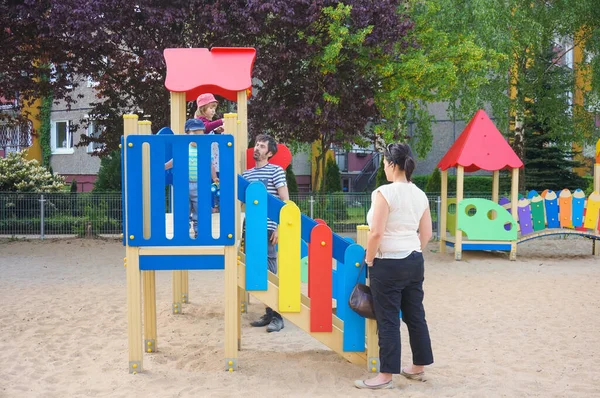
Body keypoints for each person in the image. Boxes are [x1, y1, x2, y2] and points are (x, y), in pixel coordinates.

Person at [354, 143, 434, 390]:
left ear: (393, 165)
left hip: (387, 263)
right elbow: (428, 234)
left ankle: (385, 375)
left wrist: (369, 259)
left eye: (385, 164)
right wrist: (411, 249)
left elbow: (376, 232)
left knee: (388, 319)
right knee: (415, 315)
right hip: (414, 260)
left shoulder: (384, 193)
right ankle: (418, 366)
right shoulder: (420, 194)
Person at [242, 134, 289, 333]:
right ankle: (269, 313)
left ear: (269, 153)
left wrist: (279, 226)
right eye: (256, 145)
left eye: (261, 146)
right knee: (257, 271)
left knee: (270, 271)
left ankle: (278, 316)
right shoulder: (247, 175)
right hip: (251, 228)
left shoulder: (275, 171)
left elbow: (284, 201)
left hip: (268, 227)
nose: (257, 148)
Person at [165, 119, 218, 238]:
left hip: (199, 185)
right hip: (183, 185)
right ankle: (183, 230)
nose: (198, 137)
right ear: (187, 134)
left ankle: (199, 231)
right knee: (184, 208)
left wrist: (214, 177)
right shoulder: (183, 149)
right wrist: (164, 166)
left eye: (201, 134)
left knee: (199, 209)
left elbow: (210, 165)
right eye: (195, 134)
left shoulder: (204, 150)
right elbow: (174, 161)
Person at [195, 93, 224, 212]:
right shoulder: (199, 121)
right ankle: (211, 206)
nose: (213, 111)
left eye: (214, 108)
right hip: (205, 160)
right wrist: (221, 121)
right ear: (202, 109)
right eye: (211, 108)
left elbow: (209, 129)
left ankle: (215, 206)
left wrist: (216, 131)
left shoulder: (206, 121)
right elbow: (205, 128)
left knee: (215, 182)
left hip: (213, 160)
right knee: (209, 183)